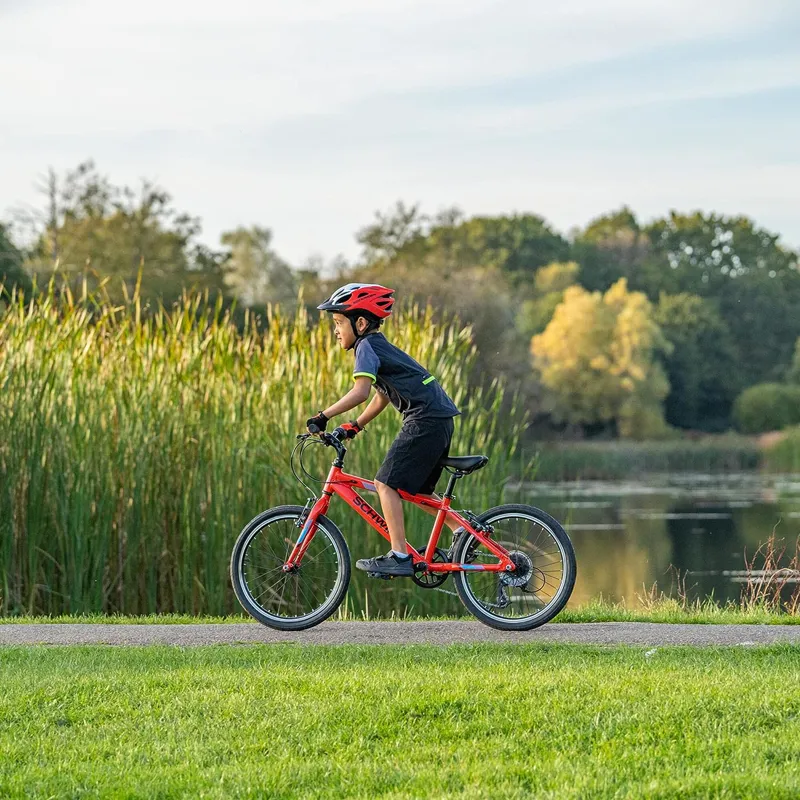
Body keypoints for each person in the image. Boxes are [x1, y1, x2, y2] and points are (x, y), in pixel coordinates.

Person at [307, 283, 462, 577]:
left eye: (338, 322)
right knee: (415, 491)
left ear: (360, 323)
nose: (335, 331)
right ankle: (460, 530)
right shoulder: (378, 346)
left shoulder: (366, 347)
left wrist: (323, 415)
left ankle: (400, 556)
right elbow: (382, 395)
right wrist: (355, 425)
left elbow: (361, 392)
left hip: (424, 419)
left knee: (385, 484)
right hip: (438, 418)